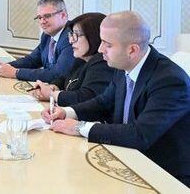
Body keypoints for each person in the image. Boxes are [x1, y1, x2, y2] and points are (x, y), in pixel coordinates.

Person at [42, 11, 190, 187]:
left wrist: (79, 127)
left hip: (163, 176)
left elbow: (140, 134)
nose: (100, 49)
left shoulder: (169, 80)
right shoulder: (123, 65)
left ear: (132, 50)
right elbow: (103, 102)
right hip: (126, 160)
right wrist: (67, 112)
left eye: (107, 44)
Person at [29, 12, 114, 107]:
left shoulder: (102, 63)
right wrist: (53, 86)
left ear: (94, 36)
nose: (71, 40)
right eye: (71, 34)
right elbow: (65, 78)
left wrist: (52, 95)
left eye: (77, 35)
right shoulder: (81, 59)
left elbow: (86, 97)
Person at [0, 0, 74, 82]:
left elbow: (57, 74)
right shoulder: (47, 35)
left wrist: (16, 73)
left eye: (47, 16)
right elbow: (32, 60)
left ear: (63, 15)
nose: (42, 22)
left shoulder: (71, 37)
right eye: (39, 17)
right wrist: (5, 66)